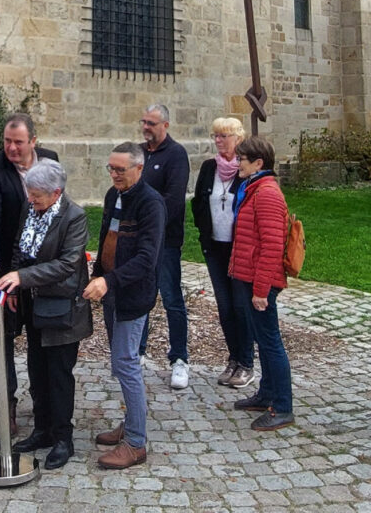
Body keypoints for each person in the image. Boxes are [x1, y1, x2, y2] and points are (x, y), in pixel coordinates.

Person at [0, 159, 92, 470]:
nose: (31, 200)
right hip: (33, 306)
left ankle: (64, 438)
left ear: (56, 192)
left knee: (58, 375)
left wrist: (23, 278)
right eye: (30, 193)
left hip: (63, 309)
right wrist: (13, 283)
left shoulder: (74, 217)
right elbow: (18, 248)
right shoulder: (31, 209)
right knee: (37, 370)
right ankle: (43, 429)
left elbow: (67, 263)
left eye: (36, 195)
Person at [84, 142, 165, 470]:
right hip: (112, 292)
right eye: (111, 168)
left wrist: (109, 281)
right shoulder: (111, 196)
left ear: (139, 169)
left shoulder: (151, 204)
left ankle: (135, 442)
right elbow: (107, 238)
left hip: (132, 295)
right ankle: (131, 421)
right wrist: (97, 275)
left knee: (127, 362)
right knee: (120, 363)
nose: (114, 174)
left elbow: (147, 259)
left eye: (121, 169)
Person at [0, 112, 58, 433]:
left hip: (42, 268)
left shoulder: (50, 160)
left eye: (18, 142)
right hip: (9, 269)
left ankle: (43, 403)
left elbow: (59, 208)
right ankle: (6, 405)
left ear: (33, 142)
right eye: (7, 141)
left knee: (42, 338)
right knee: (4, 340)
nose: (11, 148)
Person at [228, 136, 295, 430]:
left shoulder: (266, 193)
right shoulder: (254, 189)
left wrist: (260, 291)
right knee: (263, 341)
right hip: (248, 277)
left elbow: (271, 245)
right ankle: (267, 394)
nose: (237, 163)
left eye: (242, 159)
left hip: (260, 282)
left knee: (270, 343)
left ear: (259, 163)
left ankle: (282, 406)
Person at [190, 117, 254, 390]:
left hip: (239, 249)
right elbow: (198, 202)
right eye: (215, 136)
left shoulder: (247, 169)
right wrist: (204, 229)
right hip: (215, 246)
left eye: (223, 136)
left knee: (241, 305)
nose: (218, 141)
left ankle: (247, 363)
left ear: (238, 139)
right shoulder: (209, 168)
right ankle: (234, 358)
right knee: (225, 307)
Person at [138, 102, 191, 388]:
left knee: (171, 298)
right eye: (144, 122)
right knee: (140, 295)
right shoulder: (138, 153)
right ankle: (138, 352)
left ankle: (180, 359)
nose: (146, 128)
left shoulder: (176, 155)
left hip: (166, 241)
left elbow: (172, 199)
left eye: (152, 123)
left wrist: (151, 226)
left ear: (165, 126)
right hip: (139, 241)